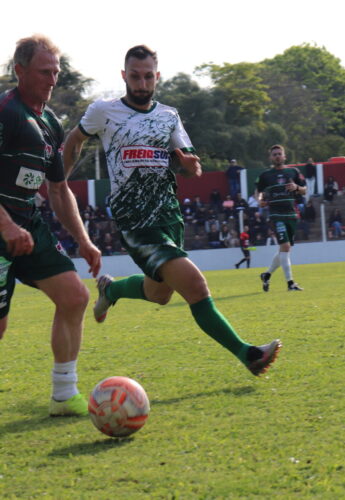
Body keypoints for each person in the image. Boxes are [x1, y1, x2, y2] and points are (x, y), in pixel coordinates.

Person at [63, 44, 281, 376]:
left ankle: (112, 289)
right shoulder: (103, 111)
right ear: (124, 76)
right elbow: (75, 139)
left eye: (148, 76)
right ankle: (248, 354)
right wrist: (59, 179)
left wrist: (190, 164)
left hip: (168, 216)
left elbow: (190, 163)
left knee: (160, 293)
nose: (141, 83)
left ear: (157, 77)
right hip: (135, 220)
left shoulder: (169, 115)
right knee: (196, 286)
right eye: (135, 76)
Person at [0, 35, 101, 416]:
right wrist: (6, 226)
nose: (53, 79)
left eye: (56, 72)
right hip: (3, 228)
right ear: (20, 70)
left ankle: (64, 393)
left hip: (30, 225)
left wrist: (84, 241)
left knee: (75, 296)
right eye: (45, 71)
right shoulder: (5, 112)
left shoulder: (50, 124)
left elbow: (59, 191)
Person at [257, 144, 306, 292]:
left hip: (291, 214)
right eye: (274, 154)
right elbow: (258, 192)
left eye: (279, 154)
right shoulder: (266, 175)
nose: (277, 156)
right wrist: (260, 200)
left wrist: (297, 188)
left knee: (285, 249)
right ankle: (290, 283)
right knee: (285, 247)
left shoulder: (293, 171)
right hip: (276, 215)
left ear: (284, 156)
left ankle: (266, 275)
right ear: (270, 158)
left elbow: (304, 190)